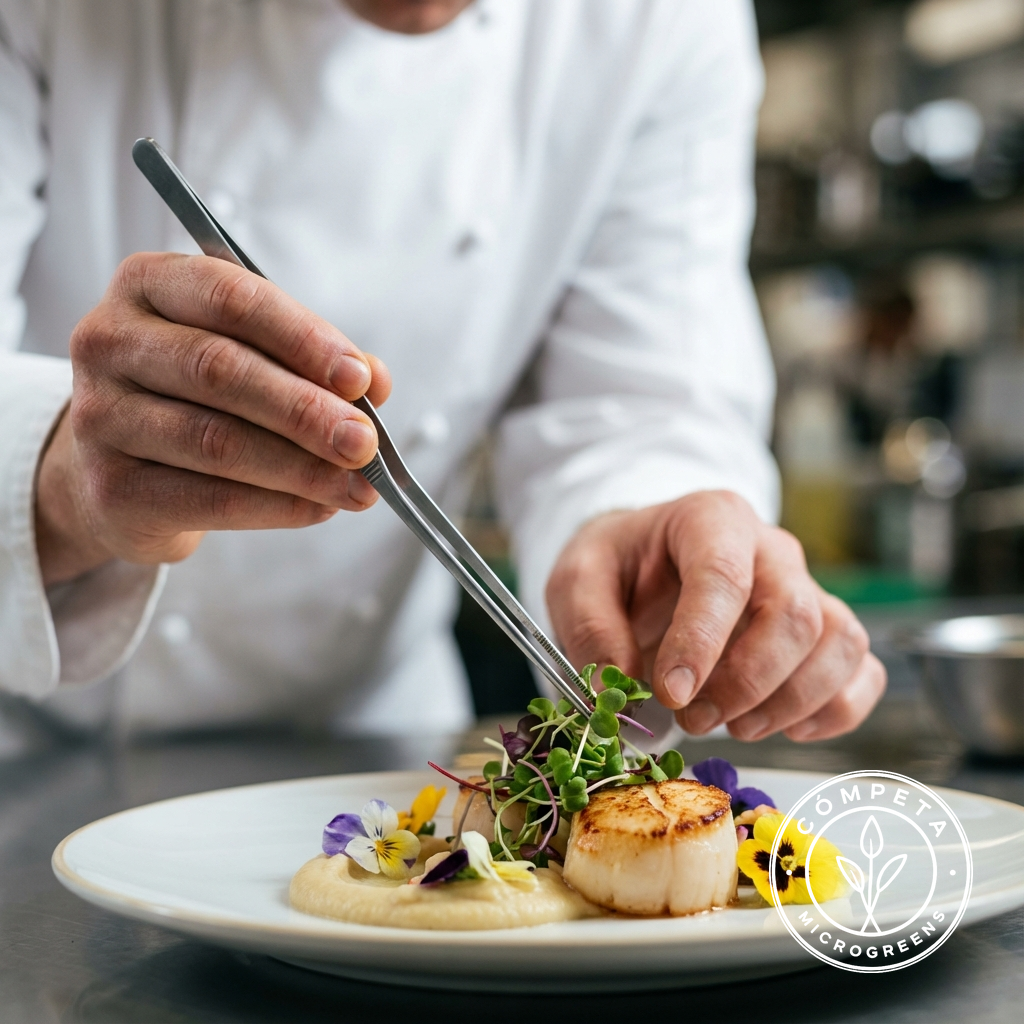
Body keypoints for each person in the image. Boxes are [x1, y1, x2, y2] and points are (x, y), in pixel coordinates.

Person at [0, 0, 884, 743]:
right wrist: (56, 480)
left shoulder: (660, 20)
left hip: (374, 750)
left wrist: (646, 534)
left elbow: (639, 400)